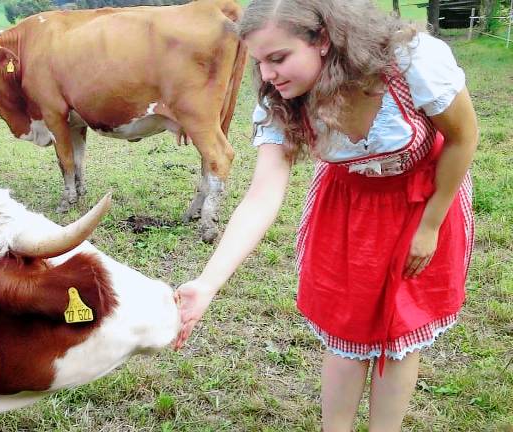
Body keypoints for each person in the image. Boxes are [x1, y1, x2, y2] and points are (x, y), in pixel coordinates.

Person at [173, 0, 478, 430]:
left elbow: (464, 137)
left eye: (278, 58)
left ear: (324, 40)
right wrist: (207, 283)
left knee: (401, 336)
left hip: (422, 200)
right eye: (259, 62)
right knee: (345, 331)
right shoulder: (282, 100)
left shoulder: (411, 62)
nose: (267, 75)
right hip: (347, 209)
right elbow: (261, 197)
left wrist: (430, 225)